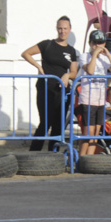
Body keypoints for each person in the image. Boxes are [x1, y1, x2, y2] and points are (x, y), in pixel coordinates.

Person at [22, 16, 79, 151]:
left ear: (69, 30)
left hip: (62, 91)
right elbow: (26, 54)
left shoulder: (71, 51)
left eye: (65, 28)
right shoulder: (47, 44)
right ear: (56, 29)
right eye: (60, 28)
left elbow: (74, 72)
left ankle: (53, 154)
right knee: (45, 122)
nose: (62, 31)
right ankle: (33, 153)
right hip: (45, 88)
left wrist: (67, 75)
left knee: (58, 124)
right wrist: (39, 67)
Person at [76, 29, 111, 156]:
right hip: (87, 99)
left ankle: (89, 159)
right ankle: (81, 157)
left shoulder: (105, 59)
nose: (98, 46)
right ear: (90, 43)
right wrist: (94, 54)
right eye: (95, 43)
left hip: (100, 99)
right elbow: (90, 70)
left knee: (96, 131)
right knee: (88, 131)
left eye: (100, 43)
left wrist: (109, 55)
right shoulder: (85, 56)